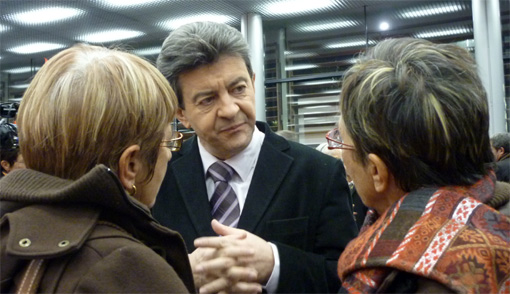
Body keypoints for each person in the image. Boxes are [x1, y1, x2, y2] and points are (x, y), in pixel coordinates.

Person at [153, 21, 358, 293]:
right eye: (208, 100)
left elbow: (346, 278)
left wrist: (275, 264)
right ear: (181, 113)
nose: (229, 109)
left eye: (238, 89)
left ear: (252, 81)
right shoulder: (159, 177)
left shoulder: (318, 172)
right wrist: (180, 274)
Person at [0, 44, 195, 293]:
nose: (168, 153)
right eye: (167, 142)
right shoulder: (126, 269)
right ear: (131, 165)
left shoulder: (10, 231)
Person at [335, 38, 510, 293]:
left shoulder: (412, 277)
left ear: (377, 171)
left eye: (341, 140)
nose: (338, 152)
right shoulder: (495, 220)